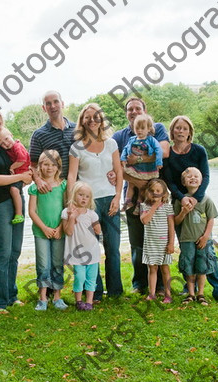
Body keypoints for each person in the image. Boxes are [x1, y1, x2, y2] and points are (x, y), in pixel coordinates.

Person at [163, 115, 218, 303]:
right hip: (179, 203)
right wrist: (182, 198)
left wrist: (195, 198)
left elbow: (206, 176)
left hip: (198, 202)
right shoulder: (168, 153)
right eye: (177, 128)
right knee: (187, 251)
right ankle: (190, 289)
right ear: (172, 131)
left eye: (185, 128)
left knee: (206, 249)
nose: (181, 131)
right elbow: (168, 180)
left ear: (190, 132)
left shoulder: (199, 151)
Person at [112, 97, 170, 295]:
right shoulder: (120, 136)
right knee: (137, 243)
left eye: (138, 108)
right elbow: (117, 165)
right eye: (130, 109)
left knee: (158, 239)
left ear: (145, 111)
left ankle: (161, 286)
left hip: (155, 195)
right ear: (126, 113)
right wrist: (137, 182)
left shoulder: (156, 128)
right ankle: (140, 284)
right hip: (133, 193)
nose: (134, 111)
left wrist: (136, 158)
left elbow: (164, 151)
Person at [68, 103, 123, 301]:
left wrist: (118, 196)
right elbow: (72, 176)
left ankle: (116, 291)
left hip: (110, 200)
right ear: (82, 120)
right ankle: (95, 292)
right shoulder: (76, 148)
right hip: (87, 204)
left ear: (102, 119)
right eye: (87, 117)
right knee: (91, 249)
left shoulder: (112, 144)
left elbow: (118, 171)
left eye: (96, 116)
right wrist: (72, 203)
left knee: (113, 248)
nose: (92, 120)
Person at [0, 109, 33, 313]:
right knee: (2, 251)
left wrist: (24, 177)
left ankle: (10, 295)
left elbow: (22, 168)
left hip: (16, 201)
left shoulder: (6, 146)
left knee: (14, 251)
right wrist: (20, 178)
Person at [28, 150, 68, 311]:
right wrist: (43, 228)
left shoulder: (63, 185)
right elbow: (31, 211)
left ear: (58, 166)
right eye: (45, 164)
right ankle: (43, 298)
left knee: (58, 263)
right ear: (40, 166)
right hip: (41, 232)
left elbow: (66, 208)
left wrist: (60, 228)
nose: (49, 168)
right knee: (43, 264)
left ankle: (57, 297)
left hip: (59, 231)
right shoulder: (35, 188)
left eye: (53, 164)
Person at [173, 167, 218, 306]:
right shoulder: (180, 201)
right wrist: (184, 212)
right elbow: (176, 221)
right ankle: (191, 294)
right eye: (189, 177)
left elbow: (211, 219)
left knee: (202, 267)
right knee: (188, 267)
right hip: (186, 239)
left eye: (196, 176)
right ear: (184, 182)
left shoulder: (206, 200)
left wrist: (205, 237)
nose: (193, 178)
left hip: (203, 240)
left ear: (201, 181)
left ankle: (201, 294)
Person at [61, 181, 102, 311]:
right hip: (77, 252)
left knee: (91, 278)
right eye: (81, 195)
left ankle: (89, 302)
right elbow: (68, 231)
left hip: (92, 250)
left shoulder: (91, 214)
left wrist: (96, 225)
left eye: (87, 196)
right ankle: (79, 301)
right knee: (80, 276)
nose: (84, 198)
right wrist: (73, 217)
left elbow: (98, 231)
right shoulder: (66, 212)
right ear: (73, 195)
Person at [29, 91, 76, 192]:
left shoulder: (77, 129)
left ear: (62, 104)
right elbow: (33, 165)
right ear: (44, 108)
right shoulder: (38, 135)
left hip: (78, 188)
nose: (53, 106)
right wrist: (38, 181)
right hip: (54, 190)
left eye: (56, 102)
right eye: (48, 103)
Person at [140, 179, 174, 303]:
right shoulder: (144, 206)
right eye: (152, 191)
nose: (155, 193)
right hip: (151, 243)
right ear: (148, 192)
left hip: (164, 243)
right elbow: (144, 220)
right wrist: (154, 206)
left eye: (158, 191)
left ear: (164, 194)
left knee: (165, 269)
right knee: (152, 268)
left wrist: (171, 243)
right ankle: (152, 293)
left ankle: (168, 294)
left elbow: (171, 227)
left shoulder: (167, 207)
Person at [121, 114, 163, 213]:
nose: (139, 130)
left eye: (142, 128)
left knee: (142, 188)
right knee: (130, 184)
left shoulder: (151, 140)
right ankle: (128, 202)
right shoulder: (132, 139)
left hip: (146, 169)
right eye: (137, 128)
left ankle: (139, 205)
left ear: (149, 129)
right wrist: (123, 158)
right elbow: (125, 149)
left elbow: (159, 150)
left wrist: (158, 162)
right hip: (135, 168)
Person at [0, 128, 31, 224]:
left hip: (22, 172)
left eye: (7, 139)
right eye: (2, 144)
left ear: (11, 135)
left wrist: (12, 167)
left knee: (14, 190)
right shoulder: (10, 149)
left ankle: (19, 214)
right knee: (15, 190)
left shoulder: (17, 146)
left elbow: (22, 160)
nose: (6, 144)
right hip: (19, 174)